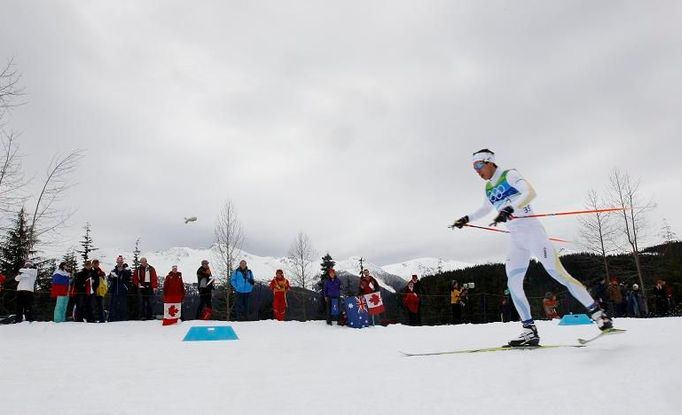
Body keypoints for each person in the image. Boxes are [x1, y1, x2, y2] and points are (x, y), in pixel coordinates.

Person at [451, 148, 613, 346]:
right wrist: (466, 219)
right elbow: (485, 209)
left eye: (478, 165)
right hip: (515, 239)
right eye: (473, 167)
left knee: (558, 274)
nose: (476, 171)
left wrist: (510, 208)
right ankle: (529, 331)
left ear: (489, 162)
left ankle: (599, 315)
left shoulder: (509, 175)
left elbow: (530, 192)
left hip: (533, 232)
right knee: (513, 284)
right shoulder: (488, 188)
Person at [108, 255, 131, 322]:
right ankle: (113, 318)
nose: (119, 264)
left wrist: (122, 272)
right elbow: (109, 279)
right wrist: (111, 277)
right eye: (118, 262)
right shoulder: (113, 270)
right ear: (116, 262)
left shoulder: (126, 271)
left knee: (123, 305)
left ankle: (123, 318)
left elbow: (128, 278)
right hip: (114, 290)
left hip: (123, 290)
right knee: (114, 305)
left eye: (121, 262)